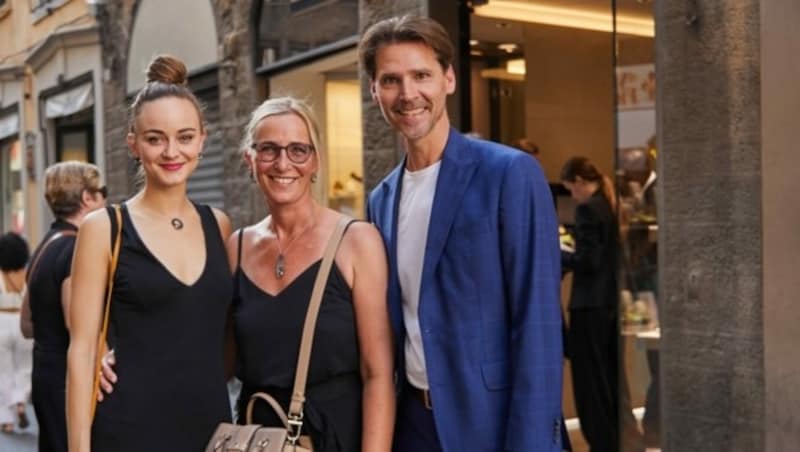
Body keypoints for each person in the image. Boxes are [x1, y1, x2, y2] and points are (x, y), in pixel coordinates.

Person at [360, 15, 564, 451]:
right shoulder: (381, 199)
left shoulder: (509, 173)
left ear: (449, 79)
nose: (408, 93)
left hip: (491, 426)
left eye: (421, 75)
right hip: (411, 426)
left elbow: (538, 322)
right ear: (375, 91)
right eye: (391, 80)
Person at [67, 55, 232, 452]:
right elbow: (82, 352)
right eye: (155, 138)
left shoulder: (220, 225)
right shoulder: (104, 228)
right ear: (134, 144)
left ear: (202, 140)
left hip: (210, 431)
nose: (171, 151)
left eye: (185, 137)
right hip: (128, 431)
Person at [229, 96, 395, 451]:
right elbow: (215, 358)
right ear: (250, 159)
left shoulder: (356, 241)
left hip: (336, 437)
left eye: (298, 150)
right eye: (269, 149)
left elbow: (378, 374)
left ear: (316, 161)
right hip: (258, 440)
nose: (283, 163)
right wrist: (119, 354)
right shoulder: (237, 248)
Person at [21, 161, 106, 451]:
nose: (105, 200)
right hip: (67, 379)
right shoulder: (76, 248)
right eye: (101, 192)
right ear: (87, 198)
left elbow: (26, 325)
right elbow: (78, 326)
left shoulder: (45, 246)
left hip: (43, 370)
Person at [559, 156, 642, 452]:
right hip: (609, 305)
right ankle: (620, 441)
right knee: (610, 379)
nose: (572, 195)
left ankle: (602, 442)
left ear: (580, 181)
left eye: (571, 188)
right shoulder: (609, 205)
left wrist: (559, 254)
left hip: (588, 307)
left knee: (590, 383)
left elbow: (588, 260)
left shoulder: (587, 208)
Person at [0, 232, 31, 434]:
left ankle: (6, 419)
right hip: (22, 321)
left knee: (3, 372)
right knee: (25, 367)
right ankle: (20, 401)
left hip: (1, 321)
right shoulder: (28, 274)